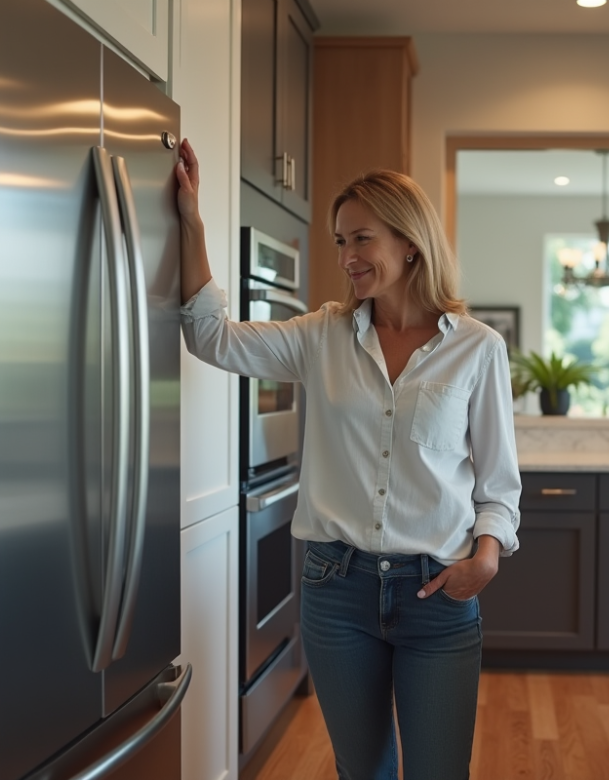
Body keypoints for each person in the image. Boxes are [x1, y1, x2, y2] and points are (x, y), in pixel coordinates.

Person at [175, 138, 521, 780]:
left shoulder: (477, 348)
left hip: (438, 591)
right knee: (362, 771)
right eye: (340, 242)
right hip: (338, 589)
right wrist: (192, 221)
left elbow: (499, 484)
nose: (347, 257)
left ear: (409, 242)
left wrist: (487, 559)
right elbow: (211, 337)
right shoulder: (321, 335)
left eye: (361, 239)